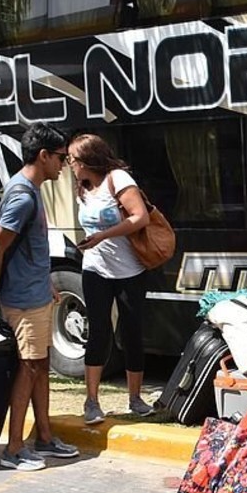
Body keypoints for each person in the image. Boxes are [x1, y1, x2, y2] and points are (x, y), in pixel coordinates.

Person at [0, 122, 81, 471]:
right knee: (28, 368)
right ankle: (13, 449)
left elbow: (26, 247)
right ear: (43, 156)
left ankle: (45, 437)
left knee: (39, 366)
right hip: (23, 300)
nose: (64, 165)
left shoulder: (29, 189)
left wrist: (45, 281)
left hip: (35, 293)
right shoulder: (23, 196)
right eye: (61, 158)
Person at [67, 133, 155, 425]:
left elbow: (140, 217)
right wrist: (92, 242)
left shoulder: (117, 179)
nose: (69, 165)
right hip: (95, 269)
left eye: (72, 159)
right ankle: (91, 401)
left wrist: (104, 235)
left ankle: (135, 398)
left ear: (87, 159)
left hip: (130, 270)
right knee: (98, 332)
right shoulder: (83, 188)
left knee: (132, 332)